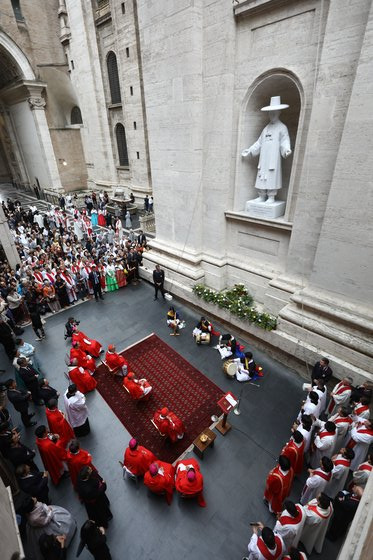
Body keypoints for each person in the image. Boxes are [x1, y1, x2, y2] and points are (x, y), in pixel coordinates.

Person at [241, 96, 291, 204]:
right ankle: (261, 195)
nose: (272, 115)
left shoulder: (282, 127)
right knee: (261, 174)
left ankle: (271, 196)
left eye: (274, 112)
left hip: (273, 158)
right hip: (264, 158)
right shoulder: (266, 128)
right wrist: (250, 150)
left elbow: (285, 141)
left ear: (279, 112)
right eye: (270, 113)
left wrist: (286, 149)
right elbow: (259, 142)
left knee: (272, 175)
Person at [23, 495, 76, 560]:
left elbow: (42, 505)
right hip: (45, 523)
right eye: (33, 499)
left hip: (45, 515)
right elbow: (45, 522)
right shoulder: (34, 519)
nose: (34, 498)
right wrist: (50, 513)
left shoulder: (32, 509)